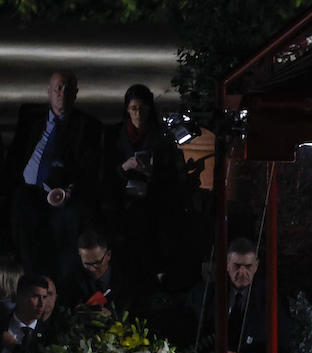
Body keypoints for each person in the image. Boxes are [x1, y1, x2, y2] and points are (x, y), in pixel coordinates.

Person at [3, 70, 102, 278]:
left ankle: (60, 284)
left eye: (67, 89)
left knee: (70, 219)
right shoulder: (31, 118)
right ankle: (29, 277)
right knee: (20, 205)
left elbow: (90, 169)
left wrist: (69, 192)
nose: (62, 93)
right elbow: (16, 155)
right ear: (49, 92)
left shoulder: (87, 126)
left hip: (63, 193)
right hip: (29, 189)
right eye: (58, 88)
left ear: (75, 94)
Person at [99, 83, 185, 279]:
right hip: (121, 196)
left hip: (152, 197)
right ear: (127, 110)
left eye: (142, 109)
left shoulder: (161, 137)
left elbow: (173, 174)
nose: (138, 114)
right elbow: (105, 174)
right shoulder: (113, 135)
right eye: (134, 109)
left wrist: (152, 174)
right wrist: (124, 167)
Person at [187, 238, 291, 353]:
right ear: (227, 265)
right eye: (237, 266)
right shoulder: (203, 295)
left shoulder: (272, 299)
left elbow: (282, 346)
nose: (242, 273)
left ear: (256, 266)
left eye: (248, 266)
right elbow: (192, 337)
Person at [59, 229, 143, 316]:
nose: (92, 269)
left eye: (97, 263)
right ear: (79, 255)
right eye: (87, 264)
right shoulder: (70, 282)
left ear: (108, 255)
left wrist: (112, 318)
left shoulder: (126, 281)